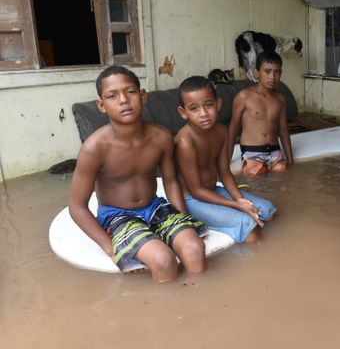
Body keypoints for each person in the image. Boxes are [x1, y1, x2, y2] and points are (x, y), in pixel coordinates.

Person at [68, 66, 207, 282]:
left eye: (131, 92)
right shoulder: (94, 148)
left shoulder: (161, 137)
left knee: (194, 247)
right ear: (102, 106)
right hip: (117, 215)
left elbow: (170, 182)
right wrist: (109, 248)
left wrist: (181, 218)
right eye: (112, 96)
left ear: (143, 96)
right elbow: (77, 206)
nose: (123, 100)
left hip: (154, 207)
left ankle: (201, 305)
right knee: (163, 260)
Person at [175, 76, 277, 243]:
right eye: (194, 108)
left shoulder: (222, 132)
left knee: (268, 210)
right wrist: (237, 206)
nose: (203, 114)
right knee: (247, 224)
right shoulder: (185, 141)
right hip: (192, 200)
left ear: (218, 104)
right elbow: (196, 191)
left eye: (209, 105)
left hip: (213, 191)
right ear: (183, 112)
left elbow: (224, 171)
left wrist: (240, 199)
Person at [228, 51, 293, 176]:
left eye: (276, 72)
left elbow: (283, 130)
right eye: (267, 71)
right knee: (256, 174)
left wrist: (290, 160)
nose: (272, 77)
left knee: (283, 173)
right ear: (257, 72)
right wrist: (226, 162)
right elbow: (233, 129)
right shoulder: (244, 96)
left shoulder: (280, 99)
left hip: (275, 151)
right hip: (253, 152)